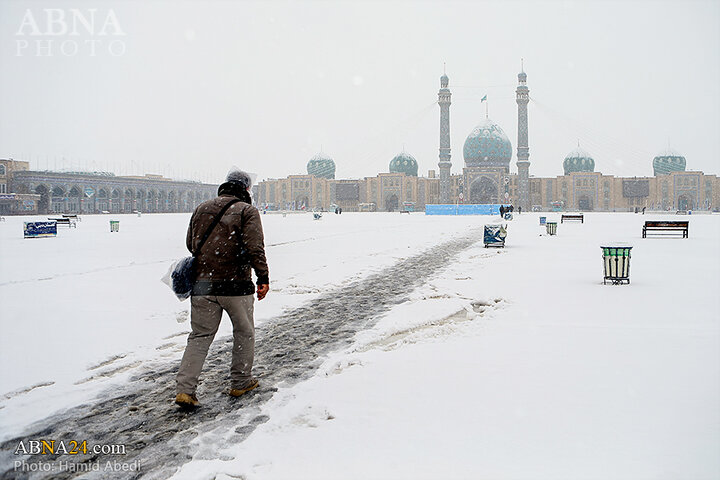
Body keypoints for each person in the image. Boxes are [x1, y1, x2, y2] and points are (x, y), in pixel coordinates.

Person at [175, 169, 270, 408]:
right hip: (236, 285)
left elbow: (191, 243)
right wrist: (263, 277)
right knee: (244, 332)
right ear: (246, 189)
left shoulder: (202, 208)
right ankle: (240, 381)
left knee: (200, 336)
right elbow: (254, 247)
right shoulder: (247, 211)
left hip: (203, 286)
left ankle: (185, 390)